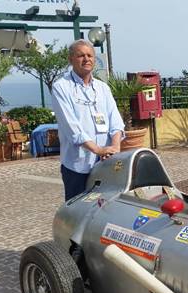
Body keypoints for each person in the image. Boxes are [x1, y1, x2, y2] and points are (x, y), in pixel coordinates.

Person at [52, 39, 125, 201]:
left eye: (90, 55)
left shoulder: (102, 88)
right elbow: (72, 128)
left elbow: (116, 120)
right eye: (80, 55)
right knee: (78, 212)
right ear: (71, 59)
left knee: (105, 208)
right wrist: (98, 150)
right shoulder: (61, 87)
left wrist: (114, 147)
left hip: (106, 162)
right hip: (78, 165)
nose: (86, 59)